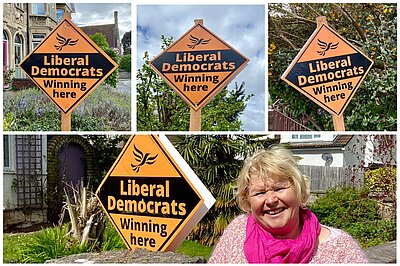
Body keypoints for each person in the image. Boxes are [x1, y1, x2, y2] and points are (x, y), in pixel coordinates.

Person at [208, 146, 368, 264]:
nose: (270, 200)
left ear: (299, 190)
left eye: (279, 188)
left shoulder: (341, 250)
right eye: (260, 193)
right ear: (247, 199)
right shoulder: (238, 231)